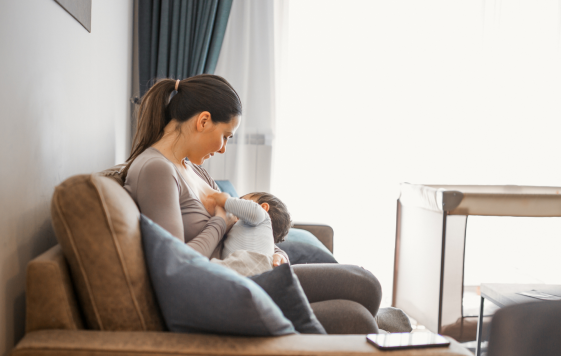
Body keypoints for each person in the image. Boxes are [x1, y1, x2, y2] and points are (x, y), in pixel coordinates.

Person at [121, 74, 381, 334]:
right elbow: (179, 265)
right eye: (226, 136)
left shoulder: (192, 167)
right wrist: (220, 221)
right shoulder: (156, 169)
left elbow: (239, 230)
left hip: (248, 273)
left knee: (365, 290)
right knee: (358, 308)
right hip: (225, 289)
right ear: (203, 121)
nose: (223, 149)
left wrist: (275, 253)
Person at [204, 191, 291, 276]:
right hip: (244, 271)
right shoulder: (244, 230)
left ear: (263, 208)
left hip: (251, 263)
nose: (237, 205)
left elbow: (253, 211)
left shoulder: (262, 216)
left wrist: (225, 200)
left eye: (242, 201)